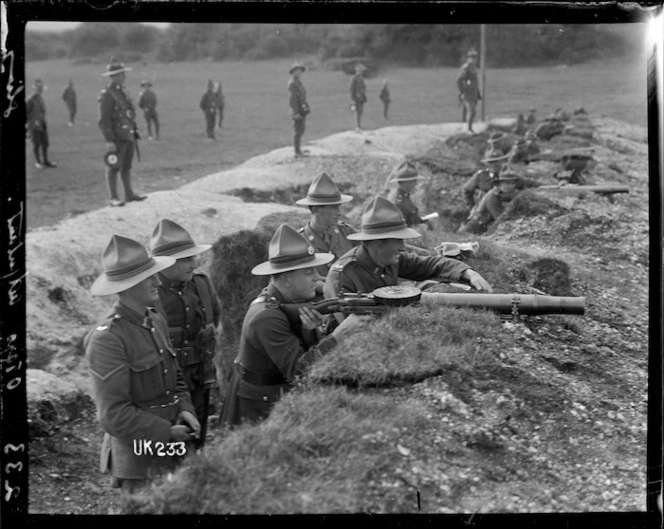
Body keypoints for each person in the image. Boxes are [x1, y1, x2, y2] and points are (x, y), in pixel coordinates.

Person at [84, 235, 200, 496]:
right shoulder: (108, 339)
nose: (158, 281)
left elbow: (176, 378)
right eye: (150, 276)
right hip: (139, 459)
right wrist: (166, 432)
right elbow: (113, 416)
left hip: (172, 445)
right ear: (129, 285)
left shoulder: (155, 320)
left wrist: (185, 408)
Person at [220, 224, 364, 427]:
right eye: (308, 272)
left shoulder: (285, 301)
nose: (316, 277)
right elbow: (300, 373)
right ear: (286, 279)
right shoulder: (266, 317)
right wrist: (337, 337)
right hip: (258, 412)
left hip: (275, 399)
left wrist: (311, 331)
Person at [323, 196, 492, 314]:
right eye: (398, 240)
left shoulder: (389, 259)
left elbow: (430, 264)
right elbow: (347, 330)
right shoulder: (343, 276)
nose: (402, 246)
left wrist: (468, 273)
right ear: (376, 242)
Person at [149, 219, 222, 449]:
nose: (195, 263)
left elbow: (214, 318)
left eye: (193, 257)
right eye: (186, 259)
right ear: (164, 263)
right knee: (169, 444)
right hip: (165, 385)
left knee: (196, 435)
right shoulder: (150, 294)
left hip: (201, 375)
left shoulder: (201, 283)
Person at [295, 172, 359, 294]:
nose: (339, 212)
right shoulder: (300, 242)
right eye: (334, 208)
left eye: (339, 207)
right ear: (316, 210)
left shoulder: (347, 232)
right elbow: (300, 279)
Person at [98, 58, 146, 207]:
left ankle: (129, 194)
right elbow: (104, 120)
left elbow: (128, 113)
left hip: (128, 134)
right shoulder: (108, 94)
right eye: (120, 74)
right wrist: (109, 140)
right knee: (114, 166)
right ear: (113, 76)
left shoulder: (121, 92)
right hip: (117, 136)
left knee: (126, 166)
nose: (124, 77)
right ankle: (113, 197)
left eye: (123, 74)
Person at [458, 169, 523, 234]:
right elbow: (501, 219)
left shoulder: (501, 194)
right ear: (499, 184)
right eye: (507, 183)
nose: (511, 186)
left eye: (513, 183)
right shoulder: (493, 197)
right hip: (472, 229)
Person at [385, 160, 430, 228]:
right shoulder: (399, 203)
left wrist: (421, 219)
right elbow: (402, 228)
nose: (416, 184)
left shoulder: (401, 196)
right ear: (407, 182)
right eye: (414, 181)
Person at [26, 79, 57, 169]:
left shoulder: (40, 98)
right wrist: (30, 124)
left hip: (42, 124)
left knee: (45, 143)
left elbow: (42, 111)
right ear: (34, 88)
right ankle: (38, 162)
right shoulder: (30, 99)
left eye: (41, 87)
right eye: (38, 87)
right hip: (34, 126)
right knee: (36, 144)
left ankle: (45, 161)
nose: (40, 89)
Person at [456, 48, 481, 133]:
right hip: (468, 93)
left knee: (470, 111)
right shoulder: (465, 67)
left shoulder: (473, 67)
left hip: (473, 92)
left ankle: (466, 127)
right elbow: (459, 80)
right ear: (468, 57)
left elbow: (475, 80)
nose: (474, 59)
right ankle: (469, 129)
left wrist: (478, 93)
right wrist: (463, 91)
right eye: (472, 57)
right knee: (472, 111)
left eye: (475, 57)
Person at [288, 63, 310, 157]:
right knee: (298, 130)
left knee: (301, 129)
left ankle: (299, 149)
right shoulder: (293, 83)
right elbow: (292, 99)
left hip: (302, 107)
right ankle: (297, 152)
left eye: (300, 71)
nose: (298, 72)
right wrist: (295, 112)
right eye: (296, 71)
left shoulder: (298, 82)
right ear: (292, 72)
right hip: (297, 109)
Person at [349, 63, 367, 130]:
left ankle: (359, 125)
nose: (362, 71)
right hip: (356, 97)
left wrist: (363, 94)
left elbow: (363, 87)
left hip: (361, 97)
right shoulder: (354, 78)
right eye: (361, 70)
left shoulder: (361, 78)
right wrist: (353, 98)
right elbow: (352, 88)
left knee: (361, 111)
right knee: (357, 111)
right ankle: (357, 126)